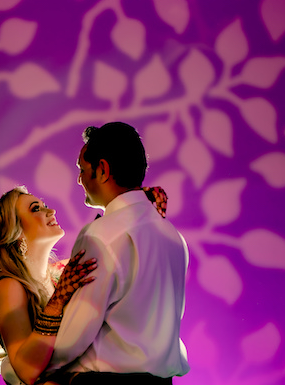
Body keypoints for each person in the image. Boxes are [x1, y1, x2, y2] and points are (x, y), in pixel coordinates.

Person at [43, 122, 190, 385]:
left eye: (82, 169)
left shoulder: (100, 235)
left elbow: (73, 337)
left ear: (102, 169)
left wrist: (28, 362)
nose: (79, 179)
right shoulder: (174, 237)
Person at [0, 186, 97, 385]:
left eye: (45, 205)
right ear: (16, 231)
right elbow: (26, 369)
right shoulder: (9, 287)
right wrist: (58, 301)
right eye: (36, 208)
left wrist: (142, 203)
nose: (51, 211)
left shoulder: (59, 274)